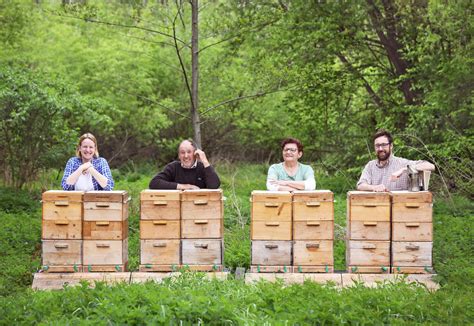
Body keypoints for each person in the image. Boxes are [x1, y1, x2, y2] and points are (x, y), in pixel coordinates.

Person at [357, 129, 435, 192]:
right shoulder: (370, 166)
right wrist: (374, 187)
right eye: (377, 146)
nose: (380, 149)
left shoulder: (402, 163)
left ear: (391, 146)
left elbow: (431, 166)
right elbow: (360, 185)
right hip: (378, 210)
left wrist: (404, 169)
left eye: (384, 145)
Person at [149, 139, 220, 190]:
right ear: (179, 155)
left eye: (189, 152)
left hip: (200, 208)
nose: (186, 156)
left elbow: (214, 185)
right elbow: (154, 183)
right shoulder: (173, 167)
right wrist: (184, 186)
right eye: (182, 152)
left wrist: (204, 160)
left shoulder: (203, 167)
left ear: (195, 153)